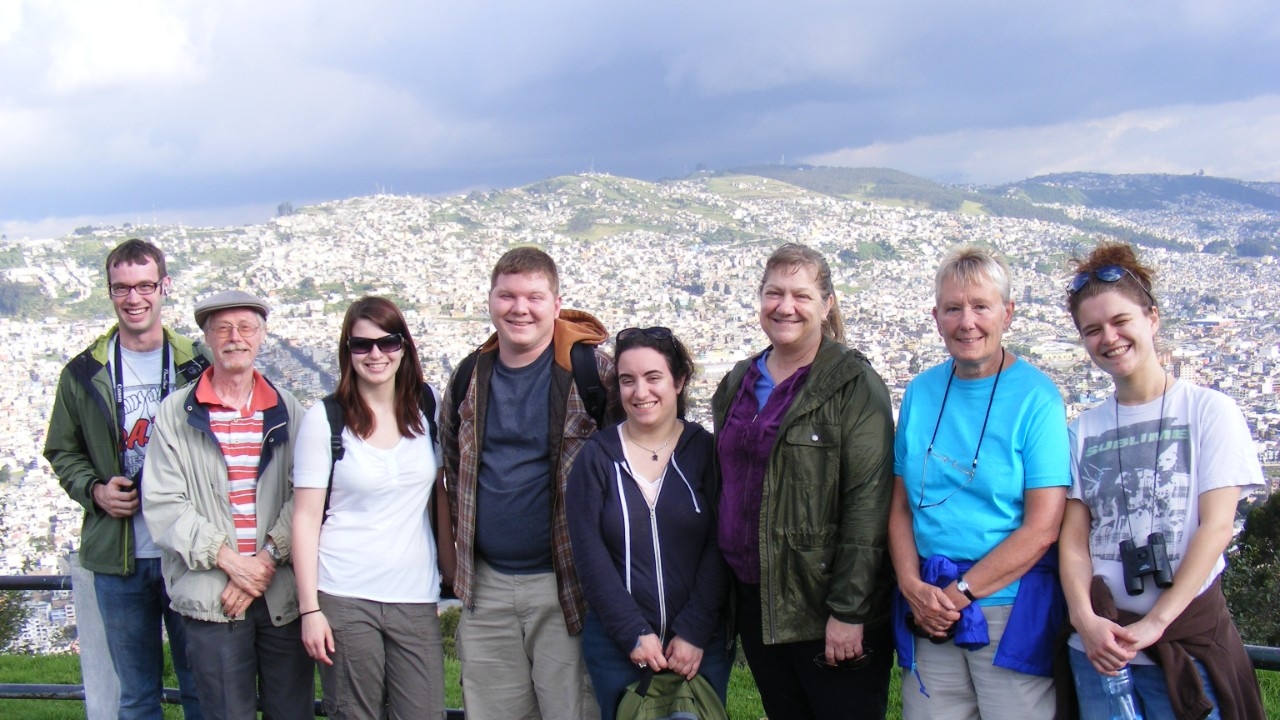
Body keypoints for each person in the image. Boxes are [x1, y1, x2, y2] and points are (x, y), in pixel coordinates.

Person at [1059, 243, 1265, 719]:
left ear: (1152, 318)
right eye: (1093, 330)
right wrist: (1083, 619)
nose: (1109, 338)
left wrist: (1157, 621)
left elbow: (1216, 527)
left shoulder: (1209, 410)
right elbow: (1073, 542)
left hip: (1187, 641)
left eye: (1120, 321)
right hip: (1100, 652)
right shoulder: (1081, 430)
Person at [711, 242, 895, 720]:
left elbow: (868, 504)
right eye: (774, 293)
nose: (785, 306)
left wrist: (849, 611)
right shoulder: (739, 381)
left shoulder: (853, 385)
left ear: (826, 304)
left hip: (823, 601)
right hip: (756, 599)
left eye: (801, 295)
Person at [888, 245, 1070, 720]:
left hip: (1007, 605)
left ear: (1007, 313)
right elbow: (901, 506)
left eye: (980, 307)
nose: (967, 322)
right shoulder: (921, 392)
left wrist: (958, 595)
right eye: (953, 308)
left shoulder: (1037, 399)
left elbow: (1043, 528)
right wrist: (911, 585)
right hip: (929, 602)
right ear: (936, 318)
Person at [441, 246, 616, 719]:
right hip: (486, 585)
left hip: (566, 584)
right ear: (490, 301)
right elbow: (453, 468)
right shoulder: (468, 377)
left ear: (556, 305)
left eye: (534, 297)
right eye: (507, 296)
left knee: (571, 710)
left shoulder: (594, 374)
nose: (520, 309)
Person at [43, 238, 208, 720]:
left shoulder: (196, 364)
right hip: (121, 555)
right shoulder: (82, 373)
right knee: (135, 696)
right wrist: (95, 491)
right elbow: (62, 450)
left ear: (164, 287)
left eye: (144, 286)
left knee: (202, 689)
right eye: (122, 288)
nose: (134, 298)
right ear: (110, 292)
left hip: (190, 551)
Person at [141, 289, 314, 720]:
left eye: (246, 327)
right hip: (212, 595)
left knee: (291, 710)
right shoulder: (176, 414)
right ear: (206, 338)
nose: (235, 337)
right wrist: (234, 564)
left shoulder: (287, 409)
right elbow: (164, 504)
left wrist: (264, 560)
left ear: (262, 335)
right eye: (223, 329)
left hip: (279, 593)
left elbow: (306, 495)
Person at [292, 296, 453, 720]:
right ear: (347, 352)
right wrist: (309, 609)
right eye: (362, 345)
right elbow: (305, 519)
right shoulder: (326, 419)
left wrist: (451, 572)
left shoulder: (428, 406)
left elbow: (440, 492)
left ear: (404, 346)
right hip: (344, 591)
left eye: (388, 342)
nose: (376, 354)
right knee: (354, 713)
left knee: (424, 711)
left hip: (414, 593)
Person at [567, 327, 730, 719]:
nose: (640, 392)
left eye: (653, 377)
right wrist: (632, 632)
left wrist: (694, 630)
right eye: (628, 380)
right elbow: (589, 556)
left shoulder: (705, 452)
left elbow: (722, 544)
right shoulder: (597, 458)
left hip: (699, 644)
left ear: (679, 381)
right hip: (618, 646)